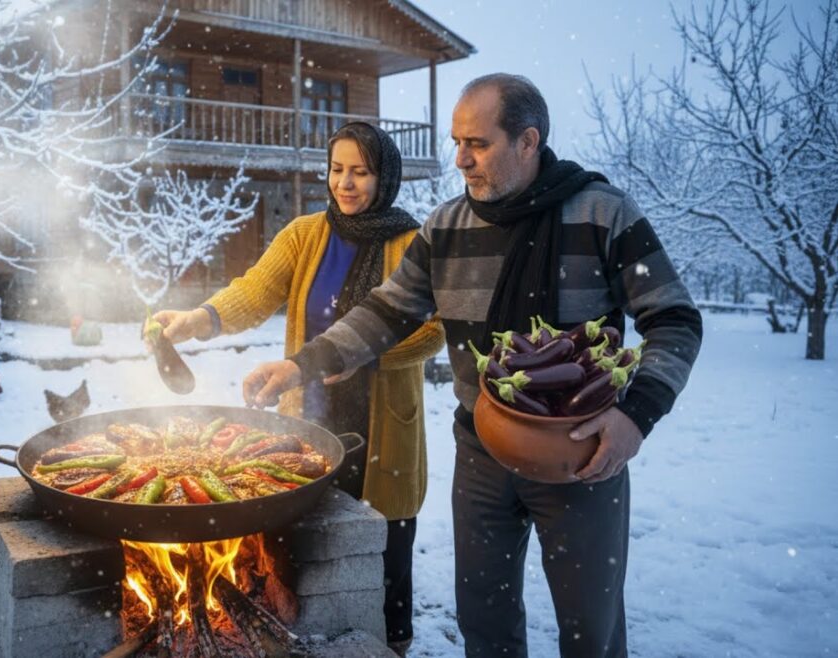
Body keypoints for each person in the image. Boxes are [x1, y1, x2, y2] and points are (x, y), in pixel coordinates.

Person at [242, 74, 702, 657]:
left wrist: (634, 416)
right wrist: (304, 365)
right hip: (481, 453)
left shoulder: (602, 214)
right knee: (484, 620)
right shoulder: (447, 228)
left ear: (528, 141)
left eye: (477, 144)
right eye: (457, 141)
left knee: (591, 627)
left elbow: (676, 320)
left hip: (581, 454)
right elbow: (387, 312)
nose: (460, 158)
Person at [152, 121, 445, 655]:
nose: (346, 184)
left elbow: (433, 330)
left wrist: (365, 355)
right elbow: (255, 291)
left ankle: (390, 642)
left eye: (361, 172)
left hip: (384, 419)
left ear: (386, 176)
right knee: (301, 535)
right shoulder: (306, 235)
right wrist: (201, 318)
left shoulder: (410, 242)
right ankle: (306, 631)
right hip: (308, 410)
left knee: (385, 538)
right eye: (337, 170)